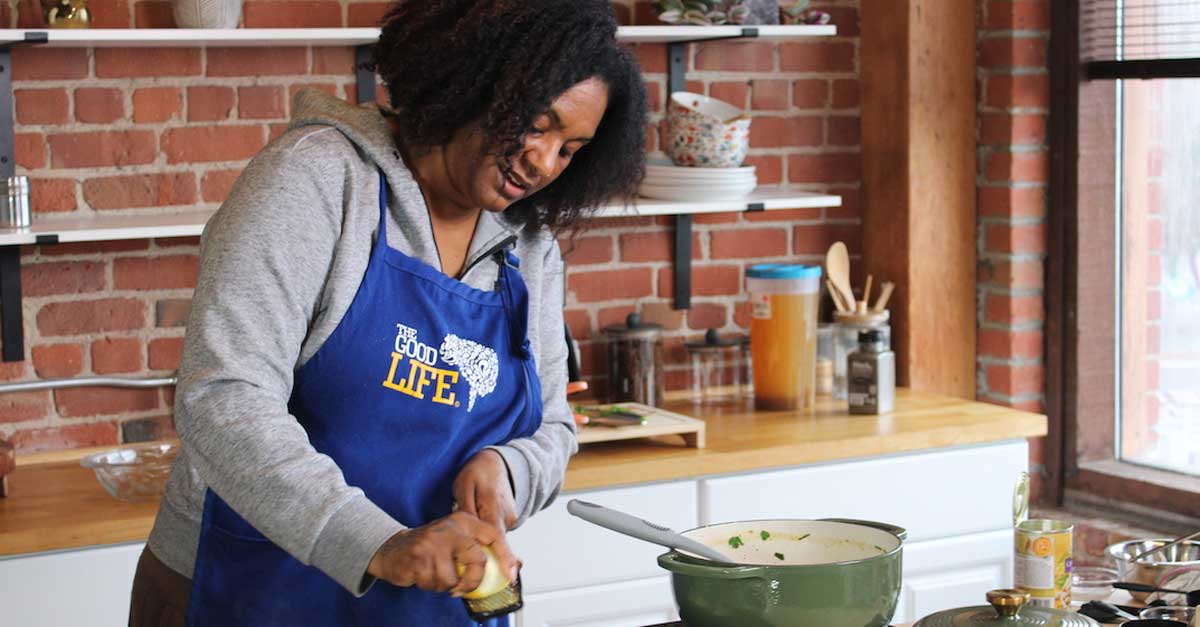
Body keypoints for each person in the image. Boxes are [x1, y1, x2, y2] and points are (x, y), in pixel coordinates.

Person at [127, 1, 647, 624]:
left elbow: (554, 428)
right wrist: (378, 541)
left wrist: (508, 470)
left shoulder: (529, 247)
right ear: (472, 81)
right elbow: (223, 398)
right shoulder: (316, 181)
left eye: (570, 149)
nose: (543, 162)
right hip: (253, 587)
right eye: (537, 125)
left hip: (430, 603)